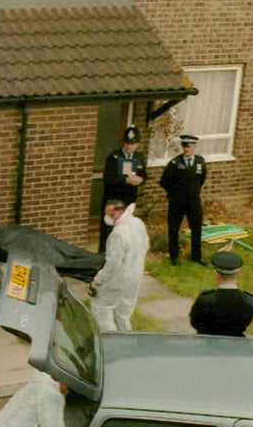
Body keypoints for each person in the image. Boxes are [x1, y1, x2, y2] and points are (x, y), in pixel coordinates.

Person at [89, 198, 149, 332]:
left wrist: (98, 280)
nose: (108, 218)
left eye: (111, 215)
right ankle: (126, 339)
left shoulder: (118, 233)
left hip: (119, 277)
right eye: (107, 214)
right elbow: (145, 244)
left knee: (101, 308)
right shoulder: (137, 223)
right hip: (135, 275)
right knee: (123, 313)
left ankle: (111, 339)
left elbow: (113, 263)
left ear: (121, 211)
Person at [160, 134, 208, 265]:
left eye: (190, 146)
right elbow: (164, 181)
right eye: (184, 146)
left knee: (196, 228)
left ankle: (196, 256)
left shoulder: (200, 162)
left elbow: (201, 180)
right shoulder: (175, 163)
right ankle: (174, 256)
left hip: (193, 201)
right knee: (174, 228)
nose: (187, 149)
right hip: (177, 201)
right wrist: (174, 193)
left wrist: (193, 192)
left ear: (195, 146)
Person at [99, 125, 147, 251]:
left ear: (138, 144)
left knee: (125, 232)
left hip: (128, 201)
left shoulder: (139, 158)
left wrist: (140, 180)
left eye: (132, 144)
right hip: (113, 200)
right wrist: (125, 180)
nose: (128, 146)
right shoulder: (114, 157)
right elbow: (108, 179)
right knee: (108, 233)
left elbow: (144, 175)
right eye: (126, 143)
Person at [189, 249, 253, 336]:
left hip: (208, 343)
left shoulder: (205, 299)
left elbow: (195, 323)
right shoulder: (249, 300)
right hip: (238, 346)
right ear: (238, 273)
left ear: (217, 274)